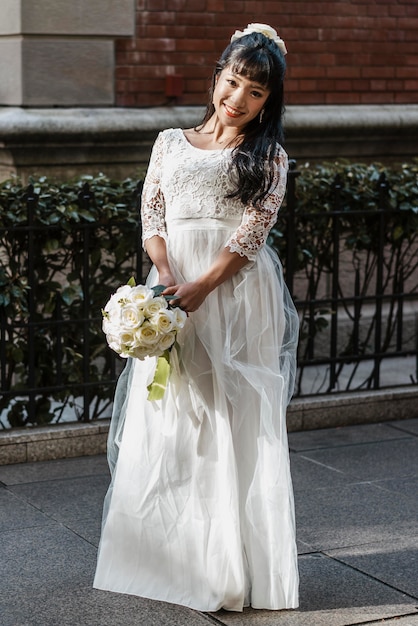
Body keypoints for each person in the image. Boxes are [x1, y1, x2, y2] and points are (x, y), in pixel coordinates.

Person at [94, 23, 300, 613]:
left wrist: (205, 284)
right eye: (233, 82)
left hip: (230, 290)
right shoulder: (168, 140)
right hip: (172, 280)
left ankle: (226, 567)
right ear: (218, 77)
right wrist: (162, 274)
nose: (238, 99)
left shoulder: (268, 156)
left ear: (269, 101)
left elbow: (253, 231)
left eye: (255, 92)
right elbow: (152, 209)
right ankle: (157, 557)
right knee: (169, 410)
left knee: (226, 413)